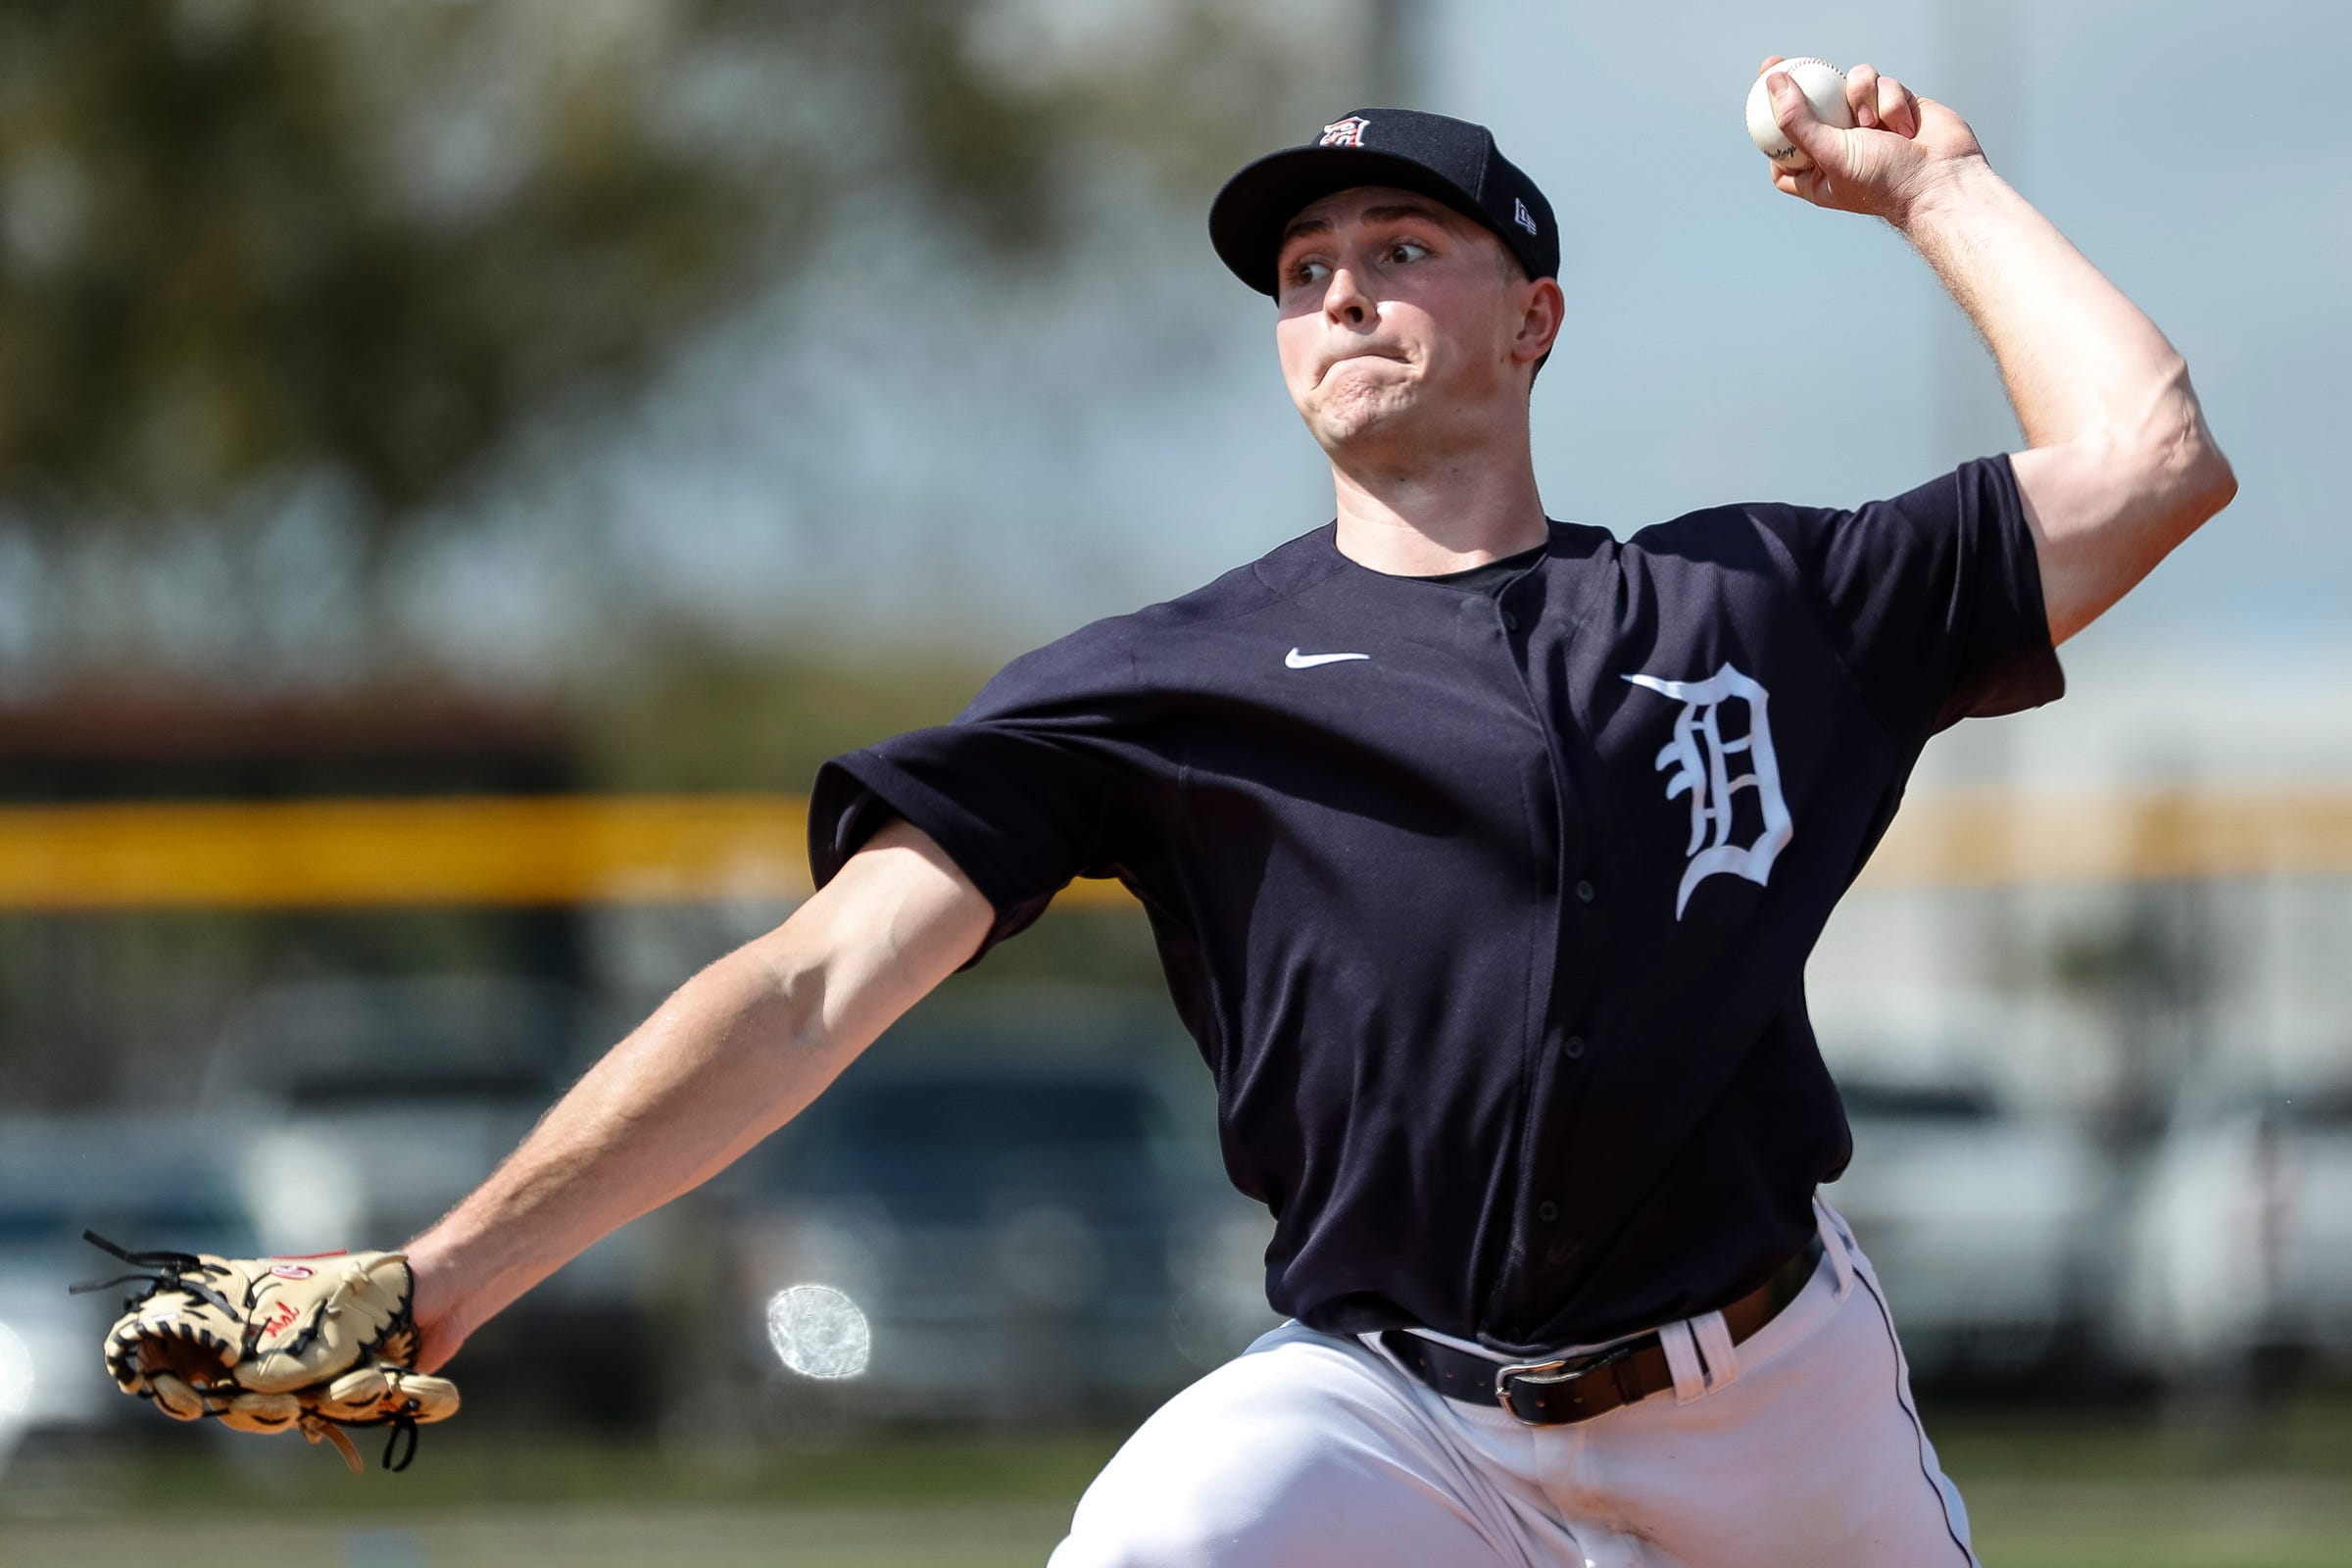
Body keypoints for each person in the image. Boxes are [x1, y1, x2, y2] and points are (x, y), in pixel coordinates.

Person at [401, 62, 2234, 1565]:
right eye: (1301, 270)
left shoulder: (1756, 602)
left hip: (1770, 1408)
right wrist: (446, 1276)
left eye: (1399, 244)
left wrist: (1939, 191)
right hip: (1391, 1412)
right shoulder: (1168, 681)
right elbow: (810, 988)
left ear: (1535, 320)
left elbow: (2154, 461)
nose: (1338, 287)